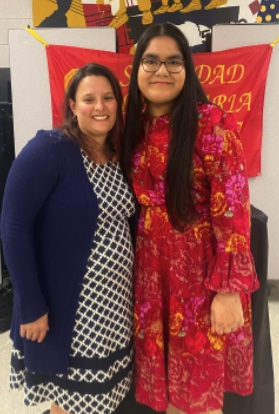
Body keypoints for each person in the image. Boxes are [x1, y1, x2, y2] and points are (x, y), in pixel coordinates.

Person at [121, 23, 259, 414]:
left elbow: (234, 211)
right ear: (137, 69)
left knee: (198, 393)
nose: (161, 70)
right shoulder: (134, 124)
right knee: (165, 388)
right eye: (151, 60)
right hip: (150, 272)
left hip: (199, 275)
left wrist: (229, 290)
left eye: (172, 62)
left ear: (188, 69)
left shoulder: (211, 123)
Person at [0, 63, 136, 414]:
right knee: (71, 401)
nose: (100, 106)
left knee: (102, 396)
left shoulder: (115, 154)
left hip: (114, 305)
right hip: (72, 310)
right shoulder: (51, 148)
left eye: (108, 98)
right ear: (73, 106)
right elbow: (13, 226)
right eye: (88, 98)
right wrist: (31, 304)